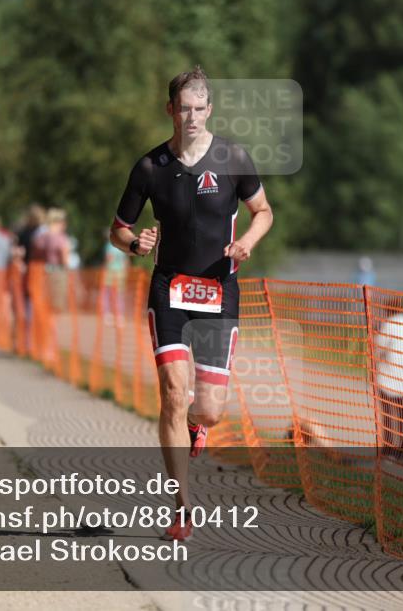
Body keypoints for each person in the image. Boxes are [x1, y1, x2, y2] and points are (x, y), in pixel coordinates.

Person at [109, 65, 273, 541]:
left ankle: (199, 429)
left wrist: (248, 243)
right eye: (184, 108)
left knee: (208, 410)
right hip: (170, 291)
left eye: (200, 108)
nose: (192, 116)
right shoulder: (149, 168)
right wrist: (133, 243)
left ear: (210, 110)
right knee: (173, 394)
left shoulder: (233, 158)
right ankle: (182, 507)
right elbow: (117, 229)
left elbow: (263, 211)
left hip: (220, 290)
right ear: (170, 110)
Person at [373, 298, 403, 462]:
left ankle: (388, 449)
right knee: (402, 414)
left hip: (386, 376)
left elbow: (378, 348)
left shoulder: (390, 324)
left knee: (387, 416)